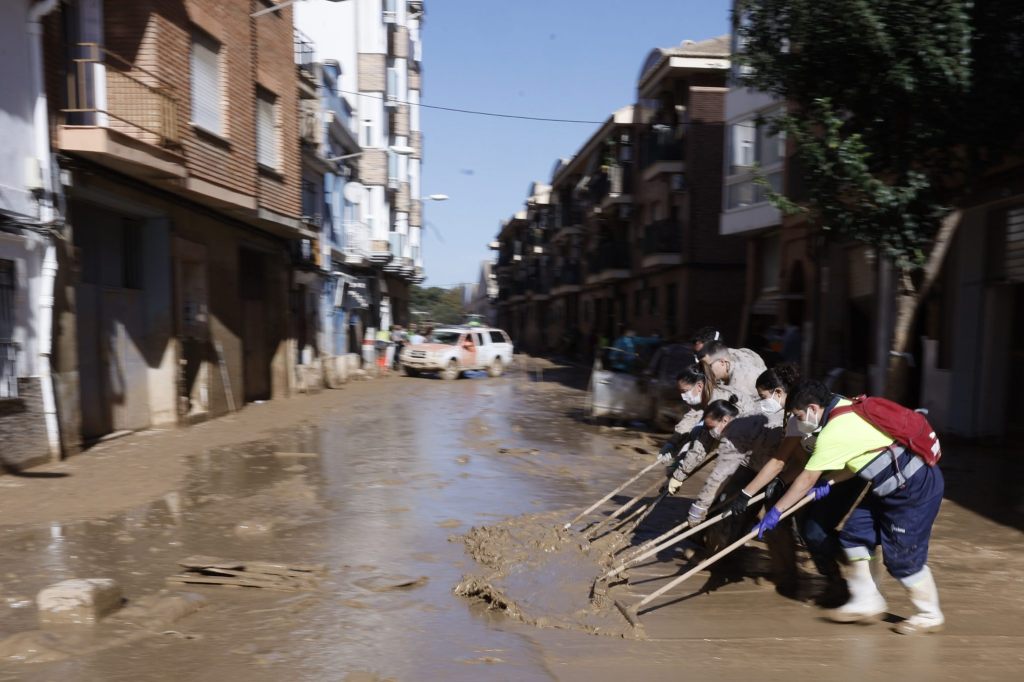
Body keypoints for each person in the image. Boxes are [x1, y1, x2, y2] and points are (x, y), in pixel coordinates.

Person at [754, 381, 945, 634]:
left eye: (799, 416)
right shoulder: (844, 405)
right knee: (854, 537)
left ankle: (930, 614)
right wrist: (829, 481)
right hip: (887, 486)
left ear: (812, 408)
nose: (799, 422)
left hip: (913, 490)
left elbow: (805, 479)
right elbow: (857, 457)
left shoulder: (834, 431)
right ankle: (868, 600)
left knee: (902, 560)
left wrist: (775, 513)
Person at [727, 364, 857, 605]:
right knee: (803, 524)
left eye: (765, 397)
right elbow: (788, 460)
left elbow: (800, 469)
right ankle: (825, 572)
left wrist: (767, 504)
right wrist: (756, 491)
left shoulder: (814, 413)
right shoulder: (798, 417)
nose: (763, 403)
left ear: (780, 392)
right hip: (815, 472)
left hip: (844, 475)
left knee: (814, 529)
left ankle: (840, 577)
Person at [666, 396, 785, 585]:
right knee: (731, 510)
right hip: (757, 463)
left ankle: (782, 576)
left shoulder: (735, 431)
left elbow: (718, 477)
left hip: (780, 469)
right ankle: (723, 555)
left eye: (712, 427)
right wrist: (678, 472)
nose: (711, 432)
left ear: (725, 420)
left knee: (769, 523)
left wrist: (698, 509)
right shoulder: (742, 414)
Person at [656, 363, 735, 465]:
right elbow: (690, 420)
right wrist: (671, 443)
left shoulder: (717, 406)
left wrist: (677, 469)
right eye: (681, 392)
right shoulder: (703, 400)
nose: (683, 397)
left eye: (685, 391)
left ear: (699, 386)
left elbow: (702, 446)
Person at [700, 340, 767, 416]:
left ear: (722, 362)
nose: (705, 371)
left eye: (709, 366)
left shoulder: (740, 382)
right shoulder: (731, 369)